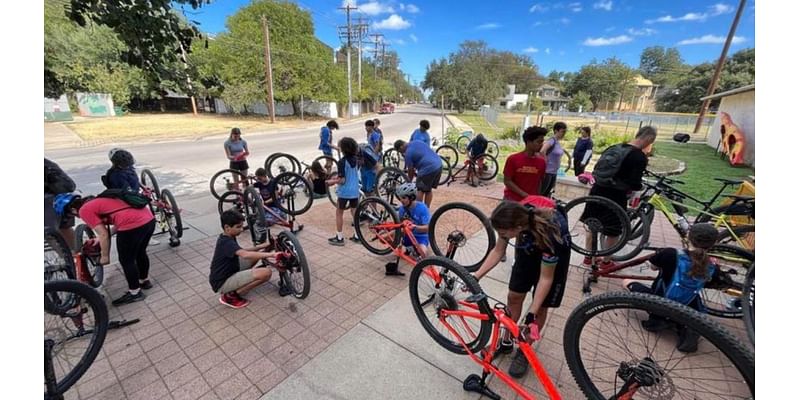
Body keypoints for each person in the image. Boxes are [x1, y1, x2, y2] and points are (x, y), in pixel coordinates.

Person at [472, 196, 571, 378]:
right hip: (528, 248)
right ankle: (506, 342)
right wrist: (476, 276)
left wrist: (531, 312)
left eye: (503, 233)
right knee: (514, 297)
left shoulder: (553, 233)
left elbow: (546, 278)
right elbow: (498, 251)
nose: (502, 236)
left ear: (516, 228)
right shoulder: (513, 217)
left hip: (553, 258)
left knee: (540, 309)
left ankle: (525, 349)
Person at [622, 223, 721, 353]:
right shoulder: (712, 266)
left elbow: (653, 267)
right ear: (713, 244)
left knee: (626, 281)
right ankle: (686, 326)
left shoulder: (670, 253)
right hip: (687, 306)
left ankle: (659, 318)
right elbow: (710, 283)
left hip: (661, 301)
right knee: (693, 301)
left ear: (688, 236)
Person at [55, 193, 156, 305]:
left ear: (73, 209)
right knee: (140, 252)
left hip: (132, 225)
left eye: (70, 215)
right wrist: (101, 237)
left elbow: (104, 234)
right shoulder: (97, 200)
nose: (75, 217)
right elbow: (122, 216)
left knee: (126, 260)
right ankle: (144, 281)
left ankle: (135, 293)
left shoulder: (84, 210)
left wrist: (104, 256)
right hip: (148, 220)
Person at [580, 126, 657, 268]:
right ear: (649, 139)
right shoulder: (638, 156)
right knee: (613, 230)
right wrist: (639, 188)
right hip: (615, 196)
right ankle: (606, 261)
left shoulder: (614, 147)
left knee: (592, 224)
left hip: (597, 190)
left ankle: (587, 257)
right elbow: (634, 183)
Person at [209, 210, 284, 309]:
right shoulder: (226, 242)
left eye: (241, 226)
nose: (241, 229)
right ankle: (230, 296)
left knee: (255, 257)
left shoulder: (227, 237)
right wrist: (272, 255)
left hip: (230, 270)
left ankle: (238, 284)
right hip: (222, 282)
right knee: (266, 273)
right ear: (227, 227)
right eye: (238, 227)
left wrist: (263, 246)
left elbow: (243, 251)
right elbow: (245, 255)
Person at [384, 183, 432, 276]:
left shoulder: (422, 208)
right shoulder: (402, 209)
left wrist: (415, 227)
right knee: (386, 238)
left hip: (420, 237)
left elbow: (428, 228)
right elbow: (399, 226)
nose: (401, 200)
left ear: (412, 197)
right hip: (406, 235)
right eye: (400, 198)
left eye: (404, 198)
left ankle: (412, 249)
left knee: (423, 255)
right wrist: (386, 233)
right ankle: (409, 249)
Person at [328, 137, 361, 246]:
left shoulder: (342, 162)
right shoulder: (356, 159)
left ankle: (339, 237)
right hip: (355, 191)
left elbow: (342, 180)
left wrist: (332, 181)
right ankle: (357, 235)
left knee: (339, 213)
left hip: (344, 192)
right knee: (354, 213)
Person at [393, 139, 443, 208]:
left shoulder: (408, 153)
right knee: (428, 190)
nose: (401, 153)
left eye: (400, 151)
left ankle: (417, 209)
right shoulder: (416, 141)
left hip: (428, 169)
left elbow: (411, 170)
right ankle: (426, 209)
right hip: (438, 164)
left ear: (401, 147)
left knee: (420, 190)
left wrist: (409, 182)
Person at [503, 127, 547, 202]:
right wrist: (525, 195)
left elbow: (540, 182)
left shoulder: (542, 162)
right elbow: (507, 181)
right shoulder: (513, 159)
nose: (541, 145)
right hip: (512, 200)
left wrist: (537, 198)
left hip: (531, 201)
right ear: (529, 142)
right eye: (539, 142)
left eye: (542, 142)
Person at [45, 158, 77, 248]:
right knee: (63, 228)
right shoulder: (48, 164)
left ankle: (70, 257)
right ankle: (75, 255)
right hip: (63, 199)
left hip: (56, 200)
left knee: (49, 232)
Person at [539, 121, 567, 196]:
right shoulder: (552, 140)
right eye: (562, 131)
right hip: (547, 172)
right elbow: (542, 151)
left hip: (553, 172)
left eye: (565, 132)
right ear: (556, 131)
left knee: (548, 193)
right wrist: (545, 160)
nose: (564, 134)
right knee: (542, 193)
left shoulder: (558, 142)